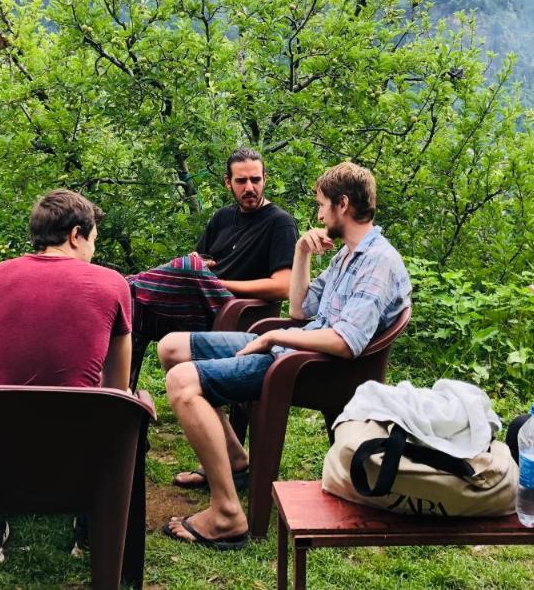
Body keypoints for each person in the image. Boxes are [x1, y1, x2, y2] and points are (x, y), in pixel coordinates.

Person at [157, 162, 412, 548]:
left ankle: (227, 514)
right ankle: (236, 461)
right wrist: (301, 253)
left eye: (322, 205)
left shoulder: (377, 262)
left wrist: (276, 339)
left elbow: (346, 342)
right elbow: (300, 310)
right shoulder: (349, 255)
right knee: (172, 347)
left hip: (310, 369)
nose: (319, 214)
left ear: (342, 205)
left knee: (181, 381)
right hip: (290, 349)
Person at [0, 189, 132, 560]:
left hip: (2, 448)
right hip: (79, 453)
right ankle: (90, 532)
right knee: (121, 409)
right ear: (76, 235)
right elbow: (118, 389)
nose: (93, 252)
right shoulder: (111, 283)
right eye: (93, 240)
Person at [128, 148, 298, 384]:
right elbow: (199, 259)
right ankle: (125, 398)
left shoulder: (280, 222)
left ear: (265, 179)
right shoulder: (222, 217)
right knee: (136, 310)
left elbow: (283, 287)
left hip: (235, 309)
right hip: (199, 304)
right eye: (241, 181)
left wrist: (216, 281)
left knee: (187, 268)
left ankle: (124, 284)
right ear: (228, 183)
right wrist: (198, 266)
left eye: (255, 179)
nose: (249, 187)